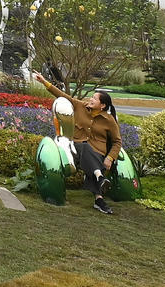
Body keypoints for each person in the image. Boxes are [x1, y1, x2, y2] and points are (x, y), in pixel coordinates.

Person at [37, 72, 124, 215]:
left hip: (97, 152)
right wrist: (44, 82)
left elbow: (117, 142)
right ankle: (99, 178)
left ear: (102, 105)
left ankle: (99, 199)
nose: (91, 99)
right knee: (85, 148)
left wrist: (110, 157)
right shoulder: (80, 106)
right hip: (76, 147)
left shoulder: (109, 120)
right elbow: (63, 96)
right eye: (92, 97)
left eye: (95, 99)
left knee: (92, 156)